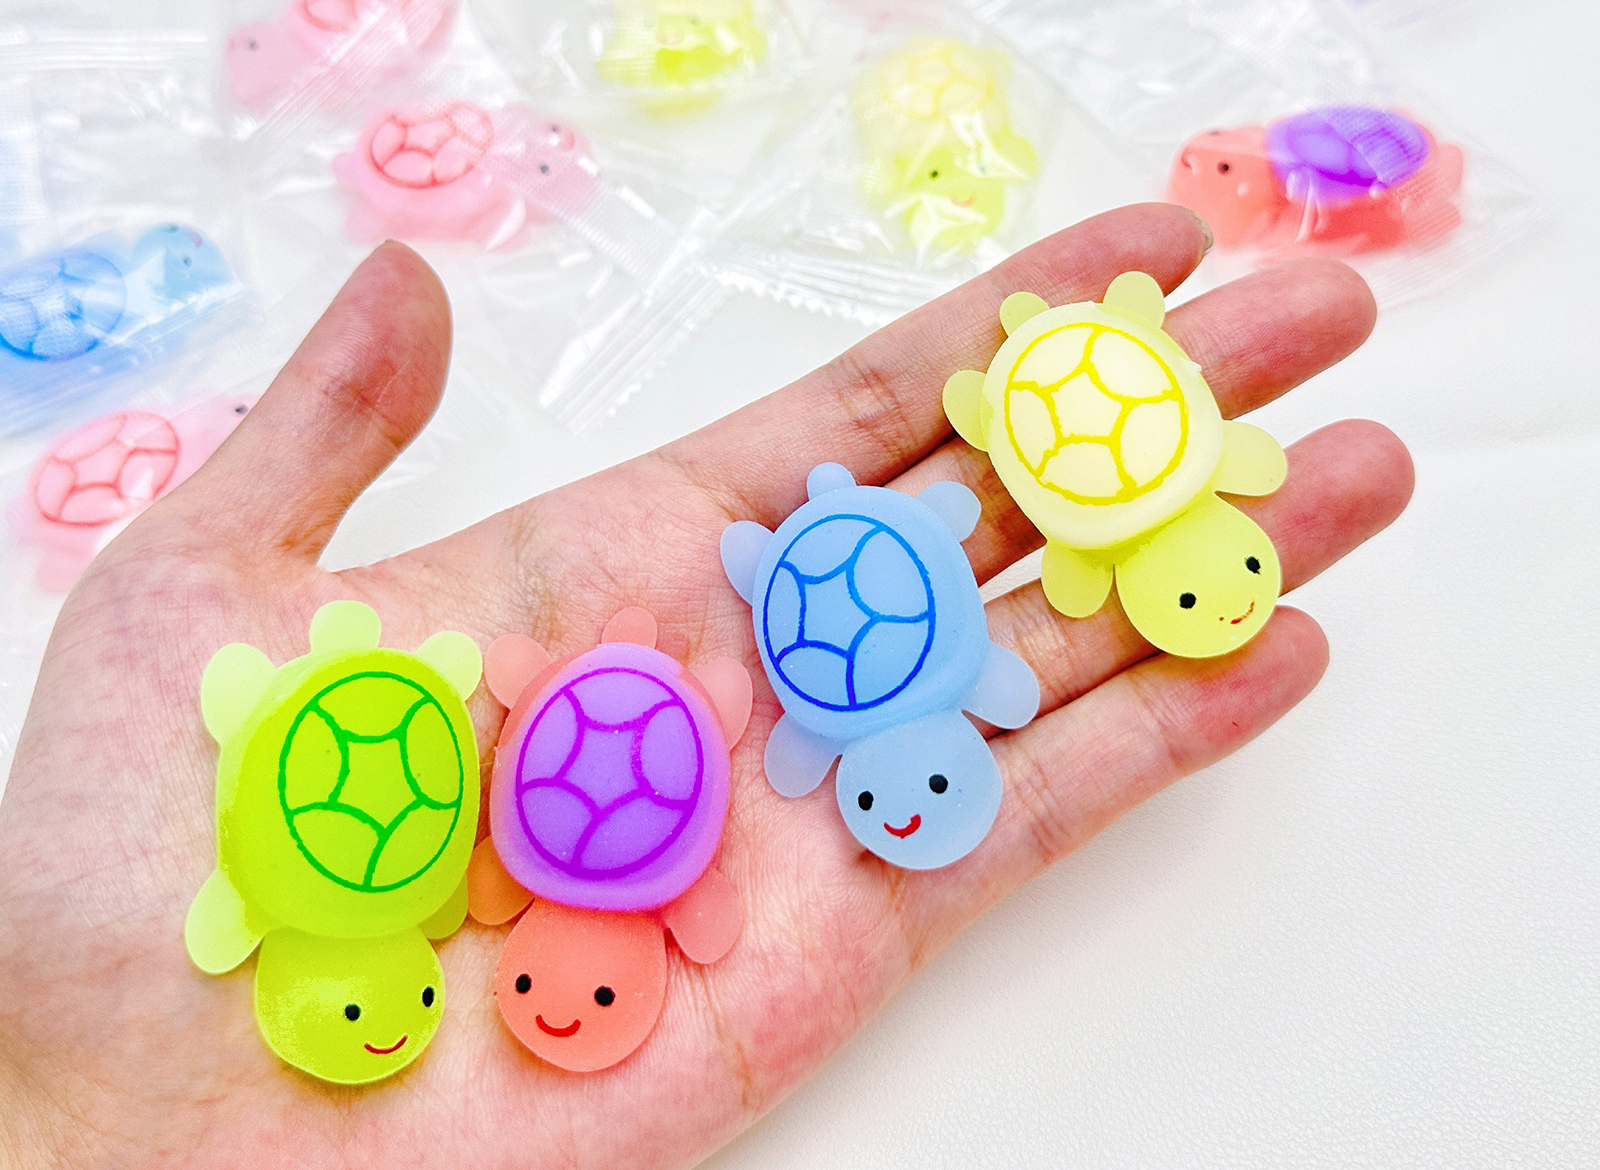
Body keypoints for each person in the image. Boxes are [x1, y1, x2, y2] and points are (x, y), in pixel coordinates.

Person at [0, 205, 1411, 1167]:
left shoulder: (456, 888)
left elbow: (502, 866)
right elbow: (498, 872)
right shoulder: (483, 892)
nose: (548, 1009)